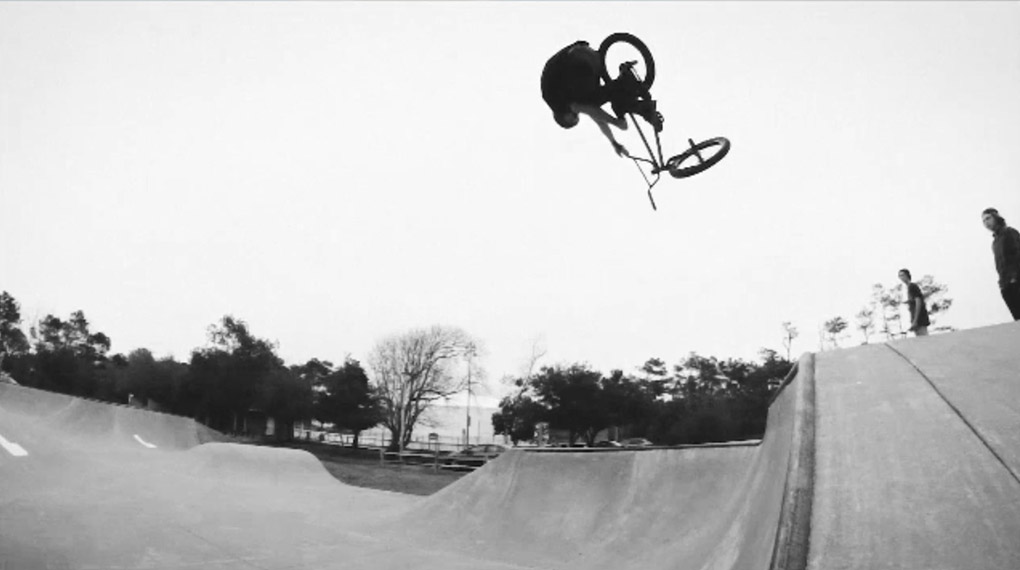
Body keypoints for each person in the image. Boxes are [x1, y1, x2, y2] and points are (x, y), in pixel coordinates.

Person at [540, 40, 662, 157]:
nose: (577, 113)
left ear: (565, 117)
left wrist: (615, 122)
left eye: (574, 115)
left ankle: (626, 83)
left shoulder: (557, 104)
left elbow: (587, 109)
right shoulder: (564, 96)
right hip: (588, 57)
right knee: (601, 99)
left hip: (577, 61)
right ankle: (637, 103)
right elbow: (596, 115)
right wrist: (614, 142)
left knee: (591, 101)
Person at [981, 207, 1020, 320]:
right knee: (1017, 319)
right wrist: (1002, 283)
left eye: (988, 218)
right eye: (984, 221)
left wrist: (1014, 277)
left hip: (1016, 281)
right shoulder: (995, 242)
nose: (986, 223)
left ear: (996, 217)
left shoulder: (1009, 232)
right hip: (1005, 284)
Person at [898, 269, 930, 336]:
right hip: (915, 318)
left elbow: (918, 302)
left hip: (920, 318)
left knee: (924, 339)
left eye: (902, 275)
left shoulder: (912, 286)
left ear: (907, 275)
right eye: (900, 276)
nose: (901, 277)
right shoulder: (908, 288)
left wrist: (915, 320)